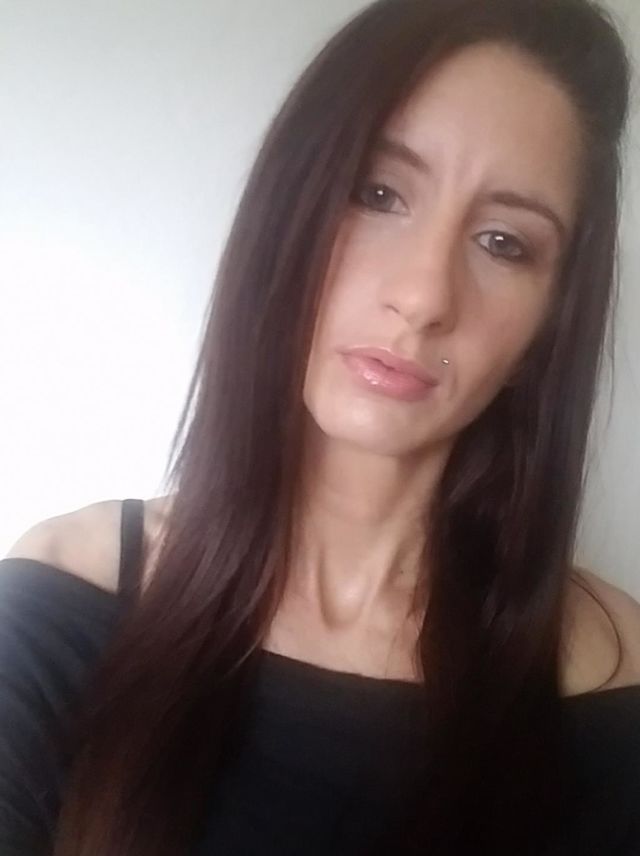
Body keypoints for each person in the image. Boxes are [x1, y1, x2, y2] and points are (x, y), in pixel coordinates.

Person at [1, 0, 639, 853]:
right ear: (289, 210)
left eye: (503, 242)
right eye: (378, 193)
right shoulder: (64, 594)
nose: (424, 296)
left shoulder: (616, 675)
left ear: (548, 324)